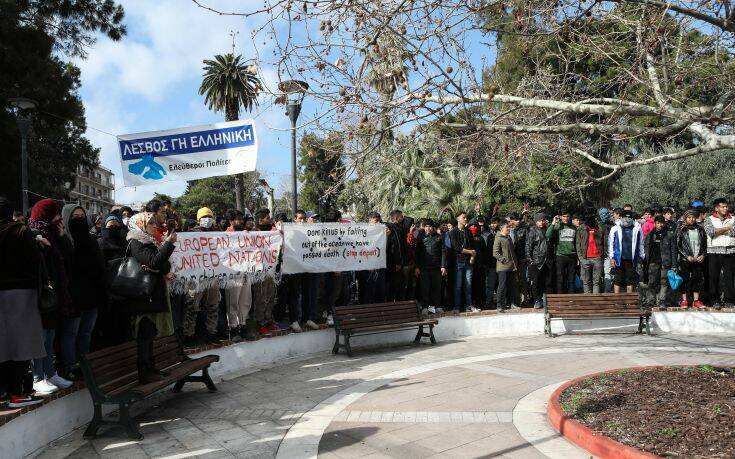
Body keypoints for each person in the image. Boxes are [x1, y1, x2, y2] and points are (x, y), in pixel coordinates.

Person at [0, 196, 47, 407]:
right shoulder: (20, 231)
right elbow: (35, 261)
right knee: (22, 344)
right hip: (21, 293)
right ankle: (16, 393)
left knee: (3, 344)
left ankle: (6, 392)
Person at [126, 210, 176, 382]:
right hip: (144, 298)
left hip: (153, 295)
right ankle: (144, 373)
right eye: (150, 223)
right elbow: (154, 261)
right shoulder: (136, 242)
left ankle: (151, 368)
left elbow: (163, 264)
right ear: (140, 225)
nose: (155, 226)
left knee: (151, 334)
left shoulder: (150, 242)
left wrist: (159, 267)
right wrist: (168, 245)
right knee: (145, 334)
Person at [59, 204, 106, 378]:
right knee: (71, 332)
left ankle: (84, 364)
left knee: (86, 331)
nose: (79, 220)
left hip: (91, 294)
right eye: (74, 217)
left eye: (81, 216)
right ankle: (71, 366)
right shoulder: (65, 240)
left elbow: (98, 266)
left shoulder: (91, 239)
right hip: (73, 295)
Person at [183, 207, 222, 346]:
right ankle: (189, 335)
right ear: (198, 220)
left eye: (209, 216)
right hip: (196, 277)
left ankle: (211, 332)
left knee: (213, 305)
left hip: (213, 275)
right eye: (203, 217)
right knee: (192, 306)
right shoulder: (191, 234)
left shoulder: (218, 234)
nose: (206, 219)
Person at [96, 213, 130, 348]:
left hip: (125, 291)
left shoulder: (125, 243)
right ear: (104, 227)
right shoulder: (99, 244)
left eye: (117, 225)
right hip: (107, 294)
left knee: (123, 326)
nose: (114, 227)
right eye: (111, 225)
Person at [224, 209, 255, 340]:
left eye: (242, 219)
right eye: (238, 219)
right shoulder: (225, 235)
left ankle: (242, 324)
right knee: (233, 301)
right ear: (231, 221)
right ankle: (233, 327)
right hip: (232, 273)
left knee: (245, 299)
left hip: (246, 270)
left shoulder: (246, 234)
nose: (241, 221)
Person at [252, 208, 280, 336]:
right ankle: (260, 322)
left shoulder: (273, 232)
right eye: (267, 218)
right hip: (259, 270)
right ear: (260, 220)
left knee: (271, 296)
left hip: (271, 269)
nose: (270, 219)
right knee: (260, 297)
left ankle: (269, 320)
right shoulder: (254, 232)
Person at [703, 198, 735, 309]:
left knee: (729, 277)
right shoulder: (709, 219)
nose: (725, 208)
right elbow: (711, 232)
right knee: (713, 277)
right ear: (717, 208)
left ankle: (729, 300)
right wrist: (726, 228)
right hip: (714, 251)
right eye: (722, 206)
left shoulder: (733, 219)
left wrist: (718, 230)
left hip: (730, 251)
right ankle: (714, 300)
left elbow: (733, 233)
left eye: (726, 206)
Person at [676, 209, 707, 309]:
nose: (691, 219)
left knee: (697, 279)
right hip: (685, 259)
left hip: (698, 258)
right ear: (685, 218)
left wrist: (703, 255)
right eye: (689, 217)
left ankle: (696, 301)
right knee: (684, 279)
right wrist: (686, 256)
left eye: (693, 217)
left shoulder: (700, 229)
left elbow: (705, 244)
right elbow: (678, 245)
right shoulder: (681, 229)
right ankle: (684, 300)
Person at [608, 210, 645, 293]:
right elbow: (611, 244)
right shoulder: (615, 228)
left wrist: (642, 256)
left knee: (630, 279)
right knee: (618, 279)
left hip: (631, 258)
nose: (627, 219)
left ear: (632, 218)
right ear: (621, 217)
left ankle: (629, 301)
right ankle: (616, 301)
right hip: (618, 258)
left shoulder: (637, 228)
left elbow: (641, 243)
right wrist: (612, 257)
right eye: (625, 217)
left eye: (629, 217)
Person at [449, 211, 479, 312]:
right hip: (458, 261)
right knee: (458, 286)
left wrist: (472, 257)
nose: (466, 219)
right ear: (458, 219)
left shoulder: (468, 231)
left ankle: (469, 305)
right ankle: (457, 307)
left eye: (466, 218)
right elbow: (456, 247)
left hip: (468, 262)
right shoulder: (453, 232)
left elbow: (473, 247)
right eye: (464, 217)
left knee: (468, 285)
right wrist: (470, 252)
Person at [643, 215, 675, 309]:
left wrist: (674, 265)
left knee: (664, 282)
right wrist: (645, 262)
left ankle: (662, 301)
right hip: (652, 262)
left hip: (665, 262)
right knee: (651, 282)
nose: (660, 225)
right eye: (658, 223)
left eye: (662, 223)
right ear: (655, 223)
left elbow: (673, 250)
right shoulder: (650, 235)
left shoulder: (669, 235)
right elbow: (646, 249)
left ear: (664, 223)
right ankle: (650, 301)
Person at [415, 219, 446, 315]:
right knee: (425, 288)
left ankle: (438, 306)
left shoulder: (439, 237)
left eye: (430, 226)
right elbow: (417, 253)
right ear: (424, 227)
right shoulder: (420, 238)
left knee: (436, 288)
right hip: (424, 268)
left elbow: (443, 252)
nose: (428, 228)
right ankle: (424, 307)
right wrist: (417, 267)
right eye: (426, 226)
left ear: (433, 227)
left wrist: (443, 266)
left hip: (436, 267)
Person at [546, 211, 577, 294]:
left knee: (571, 279)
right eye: (564, 216)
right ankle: (560, 298)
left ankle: (571, 299)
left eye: (567, 216)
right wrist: (553, 222)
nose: (566, 218)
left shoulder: (574, 227)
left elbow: (577, 242)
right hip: (560, 255)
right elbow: (548, 235)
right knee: (560, 278)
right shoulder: (557, 226)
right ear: (560, 217)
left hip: (572, 256)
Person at [576, 213, 606, 294]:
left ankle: (595, 302)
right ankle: (587, 302)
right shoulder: (581, 228)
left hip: (597, 258)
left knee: (596, 281)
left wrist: (602, 256)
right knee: (586, 281)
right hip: (585, 258)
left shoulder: (600, 228)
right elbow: (578, 244)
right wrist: (581, 258)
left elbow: (604, 242)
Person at [525, 213, 550, 309]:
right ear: (536, 222)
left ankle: (543, 299)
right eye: (540, 220)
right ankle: (536, 300)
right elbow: (528, 246)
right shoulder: (532, 231)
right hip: (536, 261)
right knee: (536, 282)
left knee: (545, 282)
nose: (542, 222)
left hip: (546, 260)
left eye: (543, 220)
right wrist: (530, 261)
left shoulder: (547, 230)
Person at [493, 222, 517, 312]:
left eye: (509, 227)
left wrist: (515, 264)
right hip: (502, 267)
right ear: (501, 228)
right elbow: (495, 253)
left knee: (511, 286)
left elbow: (512, 253)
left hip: (511, 266)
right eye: (507, 227)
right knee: (502, 286)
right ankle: (499, 305)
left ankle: (511, 303)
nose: (509, 228)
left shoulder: (509, 238)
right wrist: (504, 260)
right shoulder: (498, 238)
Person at [482, 217, 500, 308]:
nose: (493, 225)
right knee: (490, 285)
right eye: (492, 223)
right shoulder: (489, 236)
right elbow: (488, 252)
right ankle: (489, 302)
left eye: (495, 223)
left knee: (501, 285)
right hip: (492, 264)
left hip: (501, 264)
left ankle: (501, 302)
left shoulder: (502, 234)